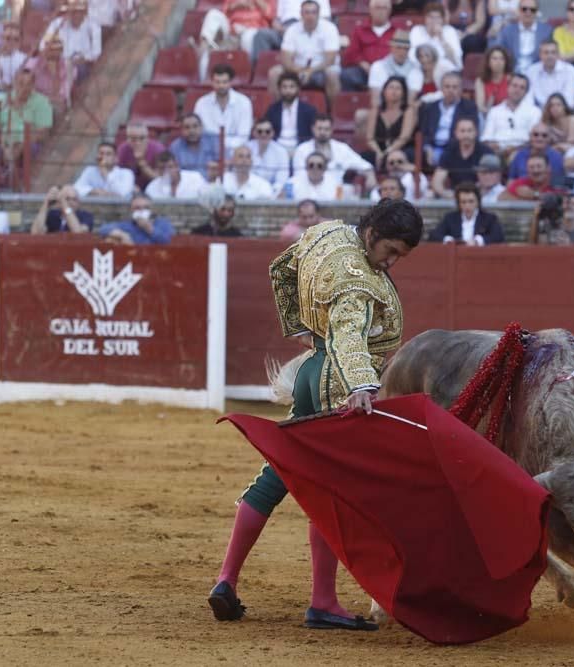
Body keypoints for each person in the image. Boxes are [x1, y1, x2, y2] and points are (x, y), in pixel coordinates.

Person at [207, 199, 425, 632]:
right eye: (391, 250)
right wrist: (361, 384)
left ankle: (226, 580)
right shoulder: (358, 278)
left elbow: (282, 269)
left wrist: (301, 327)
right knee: (335, 492)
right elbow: (347, 335)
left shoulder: (328, 233)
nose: (393, 261)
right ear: (371, 234)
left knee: (277, 474)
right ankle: (323, 601)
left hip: (312, 371)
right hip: (338, 383)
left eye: (402, 254)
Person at [270, 0, 341, 100]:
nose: (310, 16)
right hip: (297, 69)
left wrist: (310, 71)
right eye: (307, 12)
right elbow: (286, 59)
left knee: (332, 74)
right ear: (301, 14)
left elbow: (330, 60)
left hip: (321, 70)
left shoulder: (330, 28)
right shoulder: (292, 30)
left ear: (318, 14)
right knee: (274, 72)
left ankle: (332, 112)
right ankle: (277, 111)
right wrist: (300, 70)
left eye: (313, 12)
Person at [197, 0, 279, 81]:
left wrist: (257, 2)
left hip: (253, 30)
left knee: (247, 36)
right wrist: (237, 4)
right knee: (213, 14)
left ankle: (247, 75)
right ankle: (204, 47)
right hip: (232, 30)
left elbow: (271, 16)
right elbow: (225, 10)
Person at [292, 114, 375, 188]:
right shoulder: (302, 150)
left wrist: (370, 176)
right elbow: (299, 177)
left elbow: (365, 166)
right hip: (309, 194)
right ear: (313, 129)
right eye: (319, 128)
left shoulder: (342, 149)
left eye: (326, 129)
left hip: (335, 197)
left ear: (332, 130)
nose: (322, 132)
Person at [417, 71, 478, 165]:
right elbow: (423, 132)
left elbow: (471, 133)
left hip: (455, 148)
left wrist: (451, 149)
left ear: (461, 89)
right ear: (441, 89)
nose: (451, 90)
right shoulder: (430, 107)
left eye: (454, 87)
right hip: (431, 148)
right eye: (447, 87)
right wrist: (428, 148)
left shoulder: (469, 107)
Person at [194, 63, 254, 154]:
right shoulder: (201, 103)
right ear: (212, 82)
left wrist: (224, 148)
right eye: (217, 82)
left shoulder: (244, 103)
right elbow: (198, 132)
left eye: (224, 82)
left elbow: (244, 135)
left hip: (236, 153)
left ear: (231, 82)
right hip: (208, 152)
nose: (221, 86)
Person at [481, 73, 540, 161]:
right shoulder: (494, 111)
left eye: (522, 87)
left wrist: (514, 149)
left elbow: (535, 140)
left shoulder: (534, 112)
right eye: (514, 86)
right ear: (507, 87)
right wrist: (494, 147)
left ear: (526, 93)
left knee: (516, 157)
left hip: (523, 151)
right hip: (497, 152)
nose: (517, 90)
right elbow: (486, 139)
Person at [363, 75, 417, 170]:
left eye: (398, 88)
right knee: (364, 158)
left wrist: (388, 152)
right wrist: (379, 152)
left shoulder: (409, 111)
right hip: (379, 149)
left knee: (397, 158)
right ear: (384, 91)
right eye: (391, 87)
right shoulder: (375, 110)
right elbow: (370, 138)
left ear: (404, 93)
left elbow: (404, 137)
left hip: (402, 149)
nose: (394, 91)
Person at [339, 0, 394, 92]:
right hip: (364, 72)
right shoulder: (360, 30)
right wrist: (362, 63)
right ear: (370, 10)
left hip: (389, 71)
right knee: (346, 75)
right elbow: (351, 54)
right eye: (377, 7)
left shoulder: (396, 32)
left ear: (390, 11)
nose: (380, 11)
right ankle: (353, 103)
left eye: (384, 8)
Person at [431, 116, 493, 197]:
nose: (466, 134)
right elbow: (437, 181)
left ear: (476, 133)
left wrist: (475, 196)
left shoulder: (486, 152)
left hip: (483, 195)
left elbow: (491, 181)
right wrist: (446, 194)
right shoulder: (449, 151)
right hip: (456, 195)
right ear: (456, 133)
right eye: (462, 131)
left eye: (469, 131)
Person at [42, 0, 102, 79]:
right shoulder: (57, 23)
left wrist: (85, 58)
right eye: (72, 12)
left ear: (84, 12)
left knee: (80, 70)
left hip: (79, 64)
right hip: (59, 63)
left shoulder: (94, 27)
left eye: (78, 12)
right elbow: (43, 45)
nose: (75, 15)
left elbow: (96, 53)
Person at [429, 181, 504, 244]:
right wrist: (449, 240)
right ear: (459, 203)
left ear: (478, 201)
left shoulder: (489, 218)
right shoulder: (450, 218)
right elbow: (434, 235)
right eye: (463, 202)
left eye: (471, 201)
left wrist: (477, 241)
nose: (467, 206)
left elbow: (498, 236)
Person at [490, 0, 552, 73]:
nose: (528, 12)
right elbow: (498, 52)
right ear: (518, 11)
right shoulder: (508, 31)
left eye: (532, 10)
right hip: (512, 74)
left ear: (537, 12)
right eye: (524, 9)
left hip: (539, 73)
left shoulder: (546, 31)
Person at [264, 71, 318, 154]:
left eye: (291, 87)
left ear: (298, 89)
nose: (288, 90)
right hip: (276, 147)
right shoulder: (272, 109)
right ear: (279, 89)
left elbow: (312, 134)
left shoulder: (308, 110)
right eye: (284, 87)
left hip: (301, 148)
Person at [97, 194, 175, 245]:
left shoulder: (162, 223)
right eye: (137, 208)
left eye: (146, 208)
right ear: (131, 210)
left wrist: (149, 229)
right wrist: (123, 235)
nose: (141, 211)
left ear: (151, 210)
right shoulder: (127, 225)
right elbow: (103, 229)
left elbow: (169, 241)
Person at [368, 29, 424, 102]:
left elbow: (411, 99)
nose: (402, 52)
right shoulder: (378, 66)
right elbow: (375, 99)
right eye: (398, 47)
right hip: (383, 108)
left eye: (405, 49)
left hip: (405, 108)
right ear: (391, 47)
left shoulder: (416, 69)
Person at [409, 2, 463, 71]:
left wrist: (441, 38)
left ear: (442, 20)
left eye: (437, 17)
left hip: (445, 70)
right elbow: (412, 55)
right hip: (421, 69)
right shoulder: (417, 30)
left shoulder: (449, 31)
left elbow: (455, 59)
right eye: (431, 17)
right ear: (425, 18)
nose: (434, 21)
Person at [524, 40, 574, 108]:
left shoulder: (570, 70)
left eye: (553, 52)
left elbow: (569, 98)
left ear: (558, 54)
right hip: (539, 111)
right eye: (546, 53)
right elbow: (529, 98)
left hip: (564, 111)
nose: (550, 56)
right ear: (540, 55)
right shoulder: (531, 71)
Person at [169, 114, 220, 179]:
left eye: (195, 126)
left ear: (201, 127)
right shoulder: (175, 147)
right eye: (187, 127)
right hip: (186, 185)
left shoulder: (213, 140)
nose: (191, 131)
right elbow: (173, 172)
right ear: (181, 130)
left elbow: (224, 166)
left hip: (211, 183)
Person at [117, 123, 165, 191]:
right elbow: (118, 176)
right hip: (131, 190)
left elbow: (159, 179)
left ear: (147, 137)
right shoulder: (123, 149)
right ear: (127, 139)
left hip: (155, 189)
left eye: (142, 138)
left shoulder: (158, 149)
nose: (138, 143)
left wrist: (141, 162)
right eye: (133, 139)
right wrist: (131, 186)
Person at [249, 118, 291, 190]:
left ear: (272, 133)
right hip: (249, 190)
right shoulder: (246, 149)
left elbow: (281, 180)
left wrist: (269, 191)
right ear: (254, 133)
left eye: (267, 131)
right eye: (260, 131)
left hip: (272, 193)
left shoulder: (281, 152)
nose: (263, 134)